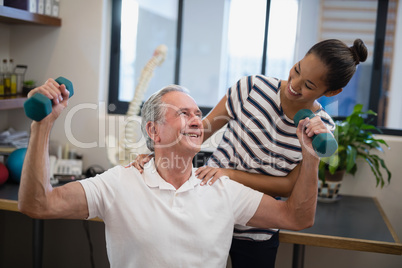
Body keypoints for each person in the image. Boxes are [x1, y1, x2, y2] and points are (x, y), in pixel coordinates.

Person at [19, 81, 323, 267]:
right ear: (154, 130)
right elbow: (38, 204)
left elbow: (297, 218)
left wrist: (310, 157)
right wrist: (42, 125)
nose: (197, 121)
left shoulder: (220, 187)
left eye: (197, 114)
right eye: (183, 114)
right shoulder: (120, 182)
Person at [132, 38, 368, 268]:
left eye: (308, 85)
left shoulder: (320, 128)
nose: (295, 84)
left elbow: (287, 187)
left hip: (258, 228)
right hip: (209, 210)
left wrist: (229, 175)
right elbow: (199, 131)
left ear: (333, 92)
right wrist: (156, 153)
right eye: (296, 70)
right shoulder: (252, 87)